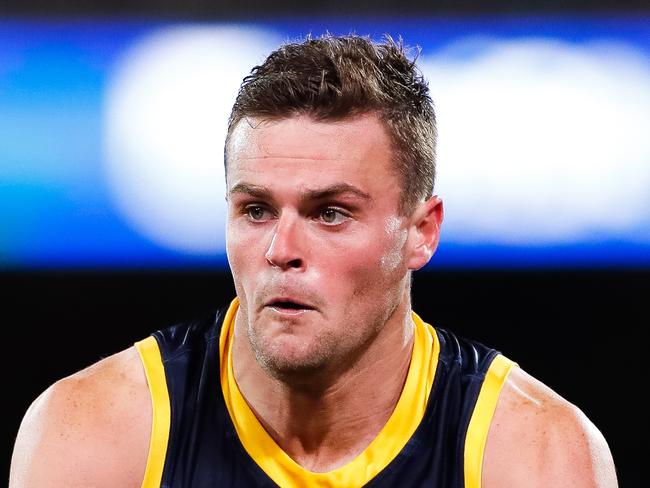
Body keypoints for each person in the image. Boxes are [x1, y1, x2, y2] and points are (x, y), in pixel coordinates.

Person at [10, 34, 617, 488]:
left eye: (330, 213)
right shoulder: (93, 437)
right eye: (255, 210)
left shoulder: (534, 456)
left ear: (420, 233)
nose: (281, 250)